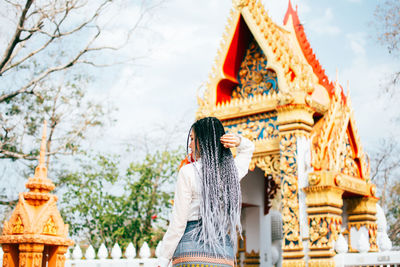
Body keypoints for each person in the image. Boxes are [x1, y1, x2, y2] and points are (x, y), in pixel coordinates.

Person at [158, 117, 254, 267]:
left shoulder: (188, 172)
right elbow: (248, 149)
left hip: (189, 252)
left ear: (202, 141)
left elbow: (178, 223)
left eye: (192, 139)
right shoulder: (232, 172)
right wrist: (238, 140)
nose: (189, 145)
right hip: (223, 254)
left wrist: (163, 259)